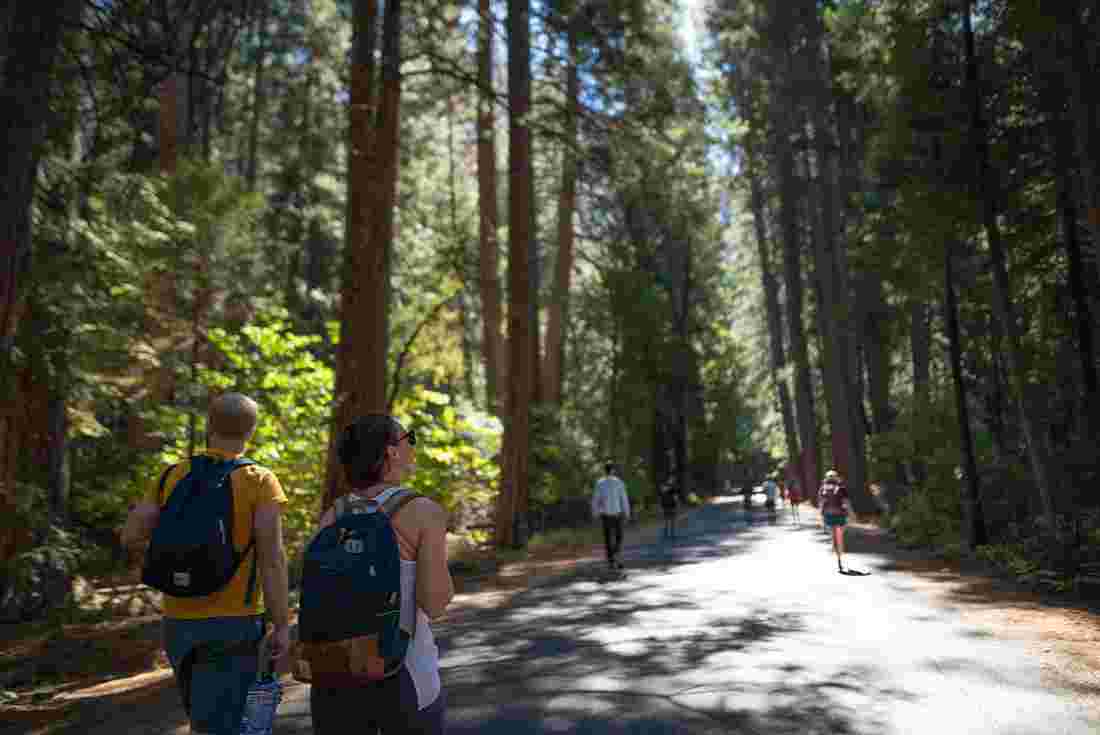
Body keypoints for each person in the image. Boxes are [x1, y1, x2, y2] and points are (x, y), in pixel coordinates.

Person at [120, 392, 290, 735]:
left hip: (179, 620)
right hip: (235, 623)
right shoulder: (259, 480)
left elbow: (131, 535)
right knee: (219, 725)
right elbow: (272, 558)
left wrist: (176, 557)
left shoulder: (172, 475)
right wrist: (282, 624)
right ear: (251, 431)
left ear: (209, 426)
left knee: (203, 719)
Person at [309, 414, 453, 735]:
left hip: (334, 674)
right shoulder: (423, 511)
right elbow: (435, 603)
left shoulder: (333, 514)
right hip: (403, 676)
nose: (413, 448)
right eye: (409, 440)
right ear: (391, 453)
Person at [592, 462, 631, 569]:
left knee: (608, 538)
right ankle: (617, 557)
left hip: (605, 515)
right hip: (617, 514)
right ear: (613, 470)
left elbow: (596, 499)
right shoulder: (619, 482)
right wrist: (627, 512)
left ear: (605, 471)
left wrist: (595, 512)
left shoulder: (600, 483)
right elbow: (624, 498)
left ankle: (611, 561)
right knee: (619, 537)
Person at [818, 469, 850, 572]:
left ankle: (834, 544)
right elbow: (846, 502)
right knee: (840, 534)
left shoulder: (823, 488)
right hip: (840, 514)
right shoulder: (841, 487)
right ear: (836, 477)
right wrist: (851, 514)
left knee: (833, 532)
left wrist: (821, 515)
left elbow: (821, 503)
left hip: (828, 514)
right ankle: (840, 557)